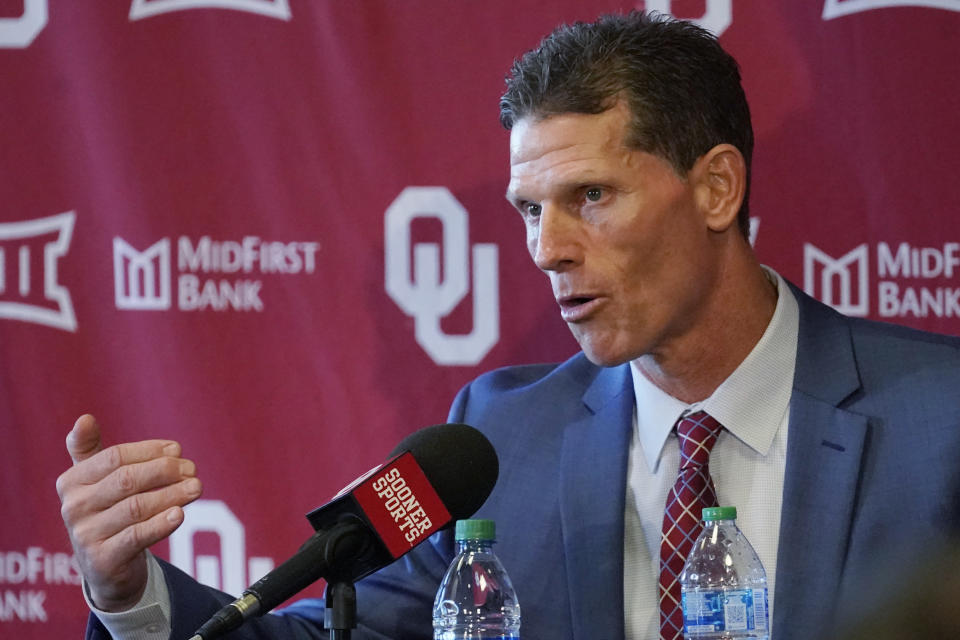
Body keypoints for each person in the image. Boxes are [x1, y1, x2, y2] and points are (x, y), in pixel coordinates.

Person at [56, 11, 960, 640]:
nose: (546, 249)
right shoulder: (497, 436)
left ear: (716, 187)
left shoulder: (940, 422)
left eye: (590, 197)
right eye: (528, 210)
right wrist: (130, 595)